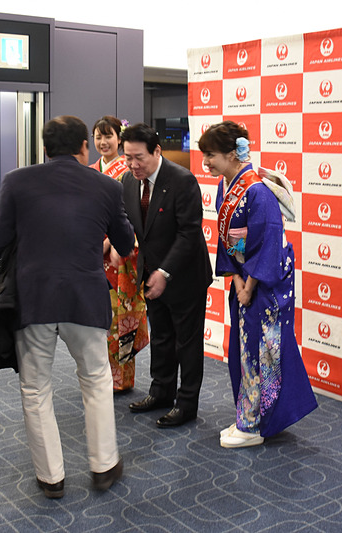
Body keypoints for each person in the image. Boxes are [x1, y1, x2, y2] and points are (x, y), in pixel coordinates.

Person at [0, 115, 134, 499]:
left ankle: (51, 478)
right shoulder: (106, 186)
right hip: (85, 296)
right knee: (97, 380)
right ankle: (103, 466)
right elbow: (126, 241)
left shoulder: (16, 181)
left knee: (35, 388)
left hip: (33, 298)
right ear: (84, 146)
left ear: (45, 149)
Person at [199, 121, 317, 448]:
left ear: (231, 155)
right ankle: (249, 416)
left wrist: (249, 284)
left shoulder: (258, 190)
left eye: (211, 155)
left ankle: (253, 424)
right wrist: (236, 278)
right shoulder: (227, 184)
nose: (206, 162)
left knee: (261, 351)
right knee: (244, 348)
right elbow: (230, 242)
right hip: (245, 279)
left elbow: (267, 241)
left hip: (265, 284)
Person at [120, 123, 212, 428]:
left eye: (139, 158)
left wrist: (164, 271)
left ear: (156, 151)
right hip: (150, 276)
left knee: (187, 342)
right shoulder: (128, 181)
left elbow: (189, 233)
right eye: (128, 157)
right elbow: (135, 227)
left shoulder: (182, 180)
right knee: (161, 337)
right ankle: (161, 392)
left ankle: (186, 404)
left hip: (184, 276)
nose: (133, 164)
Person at [90, 116, 148, 392]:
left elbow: (134, 218)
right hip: (94, 255)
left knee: (120, 318)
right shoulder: (90, 171)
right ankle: (99, 374)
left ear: (119, 139)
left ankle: (121, 378)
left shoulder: (129, 173)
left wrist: (112, 242)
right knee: (96, 319)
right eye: (98, 137)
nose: (103, 142)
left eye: (108, 136)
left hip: (119, 254)